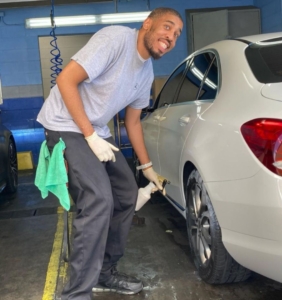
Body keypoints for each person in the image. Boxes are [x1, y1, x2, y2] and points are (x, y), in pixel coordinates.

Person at [37, 7, 183, 300]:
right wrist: (90, 135)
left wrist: (147, 168)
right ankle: (76, 294)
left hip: (96, 132)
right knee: (99, 198)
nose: (171, 37)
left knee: (127, 194)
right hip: (65, 125)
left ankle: (104, 271)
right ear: (148, 24)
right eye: (167, 27)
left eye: (177, 34)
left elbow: (132, 123)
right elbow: (66, 80)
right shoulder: (116, 39)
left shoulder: (146, 72)